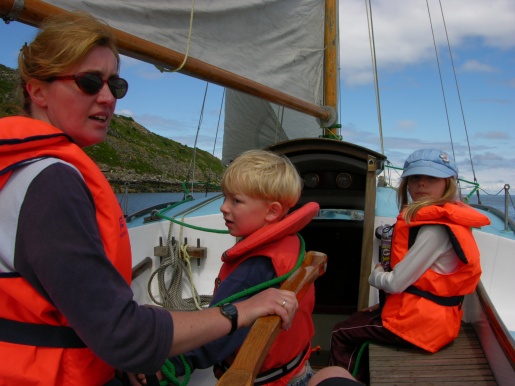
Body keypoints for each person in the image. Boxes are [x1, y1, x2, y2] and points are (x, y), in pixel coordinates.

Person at [0, 12, 298, 386]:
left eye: (116, 85)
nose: (108, 98)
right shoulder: (49, 183)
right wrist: (240, 311)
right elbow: (125, 338)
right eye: (89, 82)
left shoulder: (19, 169)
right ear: (37, 90)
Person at [141, 149, 318, 386]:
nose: (223, 208)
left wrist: (170, 364)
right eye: (224, 198)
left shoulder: (253, 270)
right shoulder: (290, 242)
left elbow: (218, 335)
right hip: (296, 370)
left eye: (236, 200)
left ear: (272, 211)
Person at [329, 149, 490, 381]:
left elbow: (395, 283)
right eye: (415, 177)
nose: (421, 184)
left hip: (423, 329)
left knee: (341, 332)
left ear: (448, 183)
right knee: (358, 322)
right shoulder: (441, 220)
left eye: (431, 178)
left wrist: (374, 275)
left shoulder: (434, 230)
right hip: (435, 320)